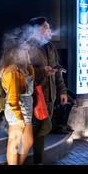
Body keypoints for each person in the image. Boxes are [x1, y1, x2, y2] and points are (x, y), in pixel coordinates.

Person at [27, 16, 68, 164]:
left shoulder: (50, 47)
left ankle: (37, 160)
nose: (49, 30)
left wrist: (62, 91)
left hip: (50, 96)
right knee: (41, 128)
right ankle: (33, 159)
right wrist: (42, 71)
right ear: (37, 30)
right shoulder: (28, 47)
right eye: (46, 27)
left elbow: (57, 71)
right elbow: (24, 73)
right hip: (35, 97)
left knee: (41, 132)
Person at [0, 43, 35, 165]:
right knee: (14, 142)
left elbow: (29, 89)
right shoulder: (11, 71)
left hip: (26, 107)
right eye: (25, 51)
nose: (27, 53)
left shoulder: (22, 68)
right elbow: (13, 97)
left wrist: (29, 64)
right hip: (16, 108)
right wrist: (19, 115)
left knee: (28, 140)